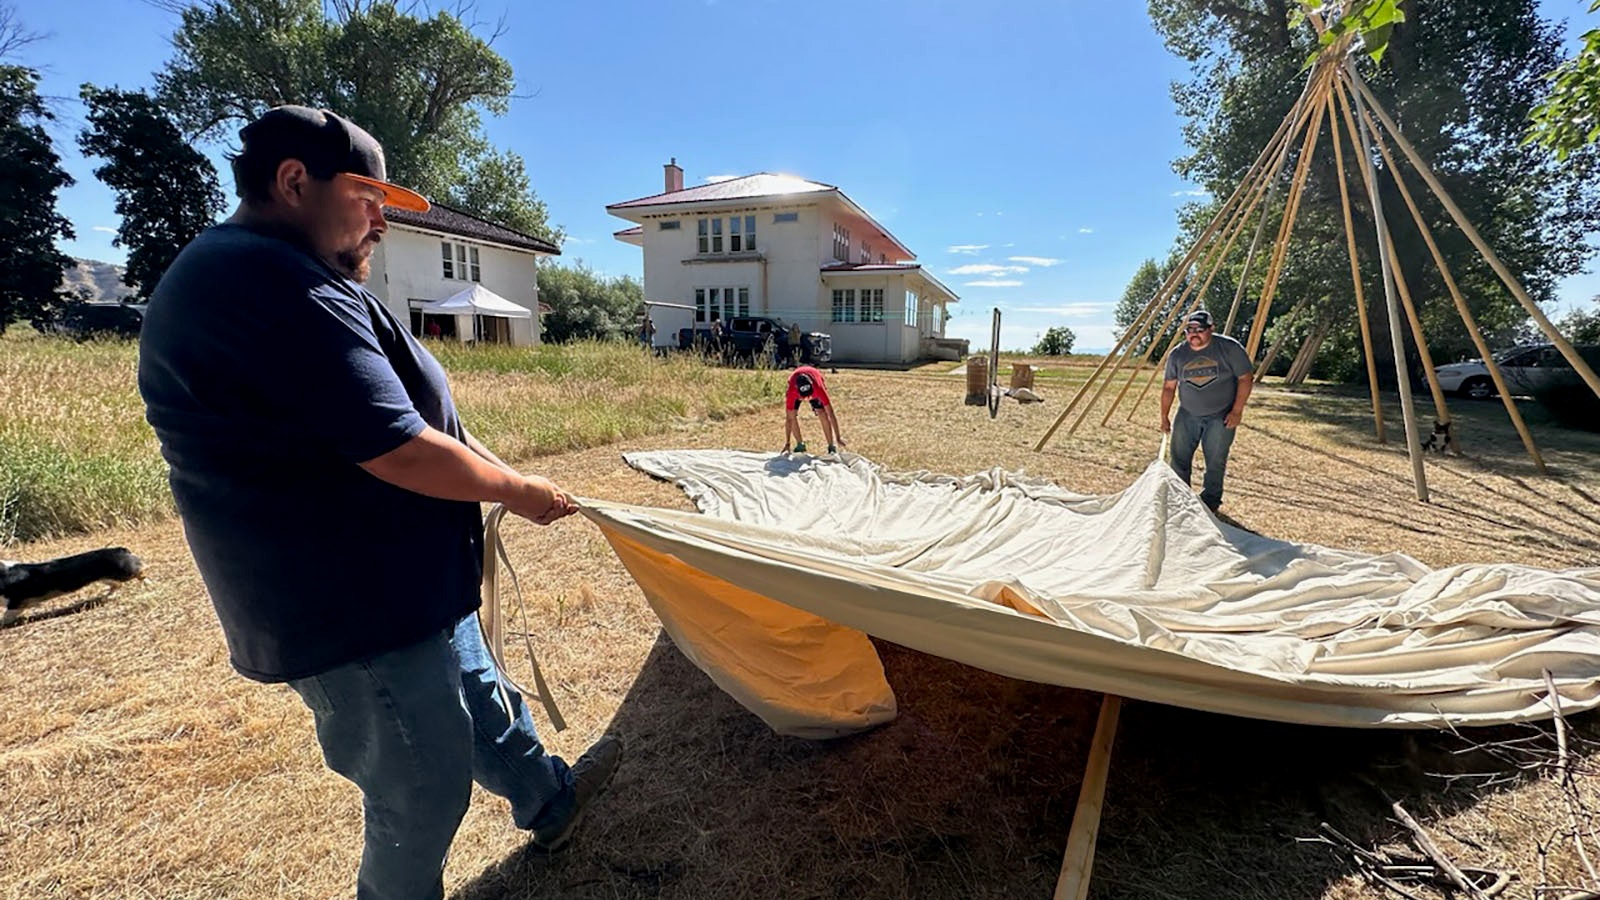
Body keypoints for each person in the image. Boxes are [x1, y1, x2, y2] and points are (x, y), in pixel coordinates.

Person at [137, 106, 622, 900]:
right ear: (294, 182)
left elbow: (413, 418)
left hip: (404, 585)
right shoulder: (252, 280)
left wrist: (499, 473)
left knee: (481, 702)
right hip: (343, 605)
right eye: (368, 198)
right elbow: (394, 447)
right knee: (421, 783)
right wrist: (514, 488)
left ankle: (551, 801)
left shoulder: (299, 272)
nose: (381, 222)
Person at [1159, 309, 1255, 511]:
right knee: (1179, 458)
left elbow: (1245, 378)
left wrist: (1236, 411)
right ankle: (1180, 498)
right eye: (1189, 330)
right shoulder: (1177, 354)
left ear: (1211, 328)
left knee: (1215, 460)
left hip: (1221, 415)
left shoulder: (1228, 348)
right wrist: (1164, 416)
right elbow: (1169, 387)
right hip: (1187, 414)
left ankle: (1210, 502)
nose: (1194, 334)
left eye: (1199, 329)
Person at [784, 365, 847, 455]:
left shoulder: (818, 388)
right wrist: (787, 443)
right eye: (804, 396)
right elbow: (789, 419)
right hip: (797, 386)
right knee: (792, 415)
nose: (807, 398)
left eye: (809, 395)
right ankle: (800, 444)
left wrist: (838, 437)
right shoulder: (792, 391)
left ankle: (831, 445)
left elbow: (831, 414)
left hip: (815, 378)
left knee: (822, 413)